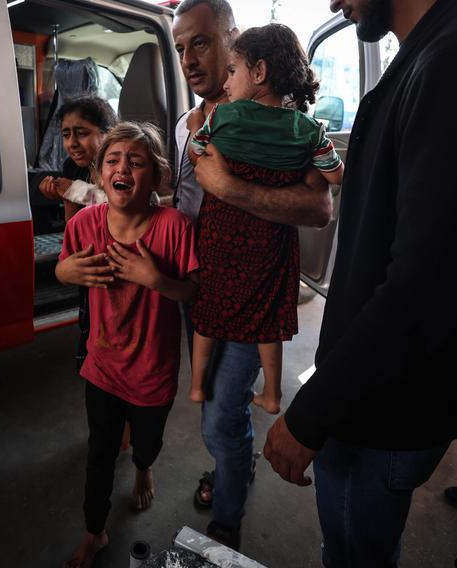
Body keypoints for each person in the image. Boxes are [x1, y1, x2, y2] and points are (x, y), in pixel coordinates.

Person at [262, 0, 457, 566]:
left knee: (353, 554)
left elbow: (426, 285)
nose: (333, 4)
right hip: (380, 386)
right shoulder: (447, 47)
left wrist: (312, 410)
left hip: (385, 405)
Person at [171, 0, 332, 549]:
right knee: (215, 403)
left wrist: (231, 189)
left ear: (233, 42)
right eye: (179, 48)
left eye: (200, 42)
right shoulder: (187, 125)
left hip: (251, 286)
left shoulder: (285, 129)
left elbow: (319, 209)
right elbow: (181, 201)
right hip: (197, 288)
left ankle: (229, 516)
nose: (189, 60)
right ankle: (233, 466)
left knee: (220, 416)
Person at [55, 122, 199, 568]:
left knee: (147, 443)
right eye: (113, 161)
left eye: (136, 162)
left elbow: (194, 292)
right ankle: (95, 531)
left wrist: (156, 280)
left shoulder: (173, 227)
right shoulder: (83, 224)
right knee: (99, 452)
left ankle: (142, 466)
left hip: (153, 371)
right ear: (99, 175)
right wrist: (66, 275)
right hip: (101, 365)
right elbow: (62, 269)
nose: (123, 169)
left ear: (154, 178)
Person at [186, 24, 344, 416]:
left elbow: (197, 155)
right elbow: (335, 176)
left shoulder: (223, 117)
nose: (227, 81)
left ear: (258, 73)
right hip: (270, 244)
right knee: (269, 321)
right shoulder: (307, 129)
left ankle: (194, 386)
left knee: (207, 310)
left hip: (221, 236)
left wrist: (195, 128)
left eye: (233, 70)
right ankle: (272, 394)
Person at [38, 95, 118, 222]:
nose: (72, 143)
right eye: (66, 135)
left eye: (82, 134)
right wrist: (67, 196)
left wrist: (75, 191)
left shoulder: (122, 170)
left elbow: (125, 207)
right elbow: (73, 227)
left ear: (109, 134)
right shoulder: (72, 166)